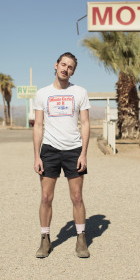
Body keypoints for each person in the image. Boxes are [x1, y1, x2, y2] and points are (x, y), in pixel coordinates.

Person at [33, 52, 91, 259]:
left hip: (73, 150)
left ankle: (81, 238)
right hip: (49, 150)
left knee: (76, 197)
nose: (66, 69)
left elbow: (85, 124)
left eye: (71, 67)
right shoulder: (42, 94)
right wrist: (37, 156)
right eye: (63, 65)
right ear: (56, 65)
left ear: (73, 71)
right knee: (46, 197)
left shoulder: (80, 92)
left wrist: (83, 154)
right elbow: (38, 126)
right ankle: (45, 239)